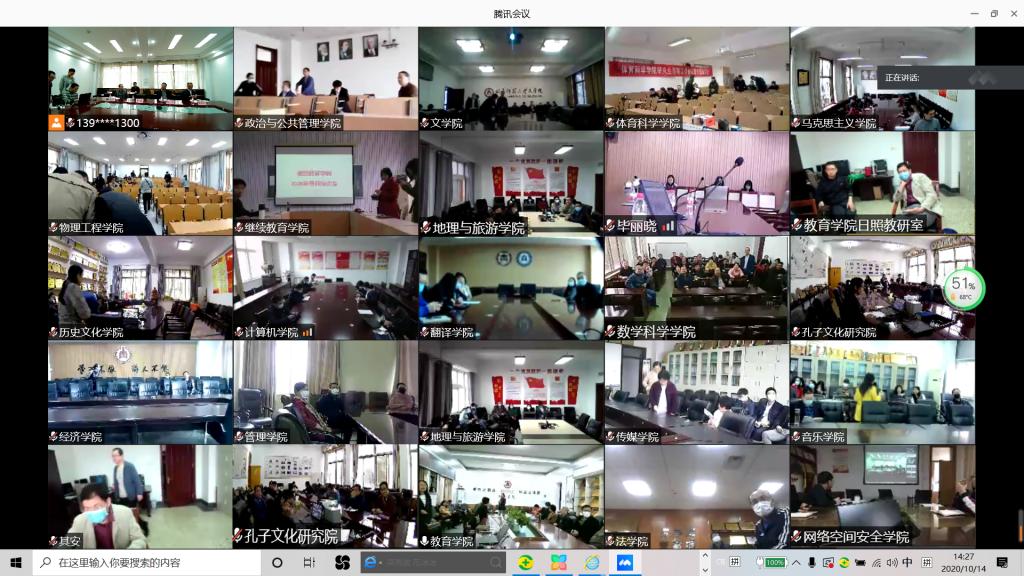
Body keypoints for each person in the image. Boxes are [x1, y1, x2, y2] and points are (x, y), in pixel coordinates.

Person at [69, 483, 147, 549]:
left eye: (97, 506)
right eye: (87, 508)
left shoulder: (125, 513)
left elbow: (139, 539)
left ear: (108, 502)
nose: (92, 512)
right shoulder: (80, 521)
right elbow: (68, 543)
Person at [891, 161, 943, 231]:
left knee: (919, 220)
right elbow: (895, 199)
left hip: (926, 207)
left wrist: (921, 209)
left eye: (904, 171)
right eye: (900, 172)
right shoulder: (901, 183)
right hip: (910, 209)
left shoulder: (920, 177)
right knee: (894, 223)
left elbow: (932, 195)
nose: (902, 173)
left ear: (910, 170)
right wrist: (902, 186)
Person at [110, 447, 145, 531]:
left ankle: (137, 531)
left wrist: (139, 493)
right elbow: (118, 481)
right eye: (112, 456)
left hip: (130, 496)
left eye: (115, 455)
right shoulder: (115, 468)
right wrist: (115, 486)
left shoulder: (129, 466)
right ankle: (128, 531)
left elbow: (137, 480)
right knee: (124, 515)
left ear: (121, 456)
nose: (114, 458)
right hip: (120, 497)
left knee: (133, 515)